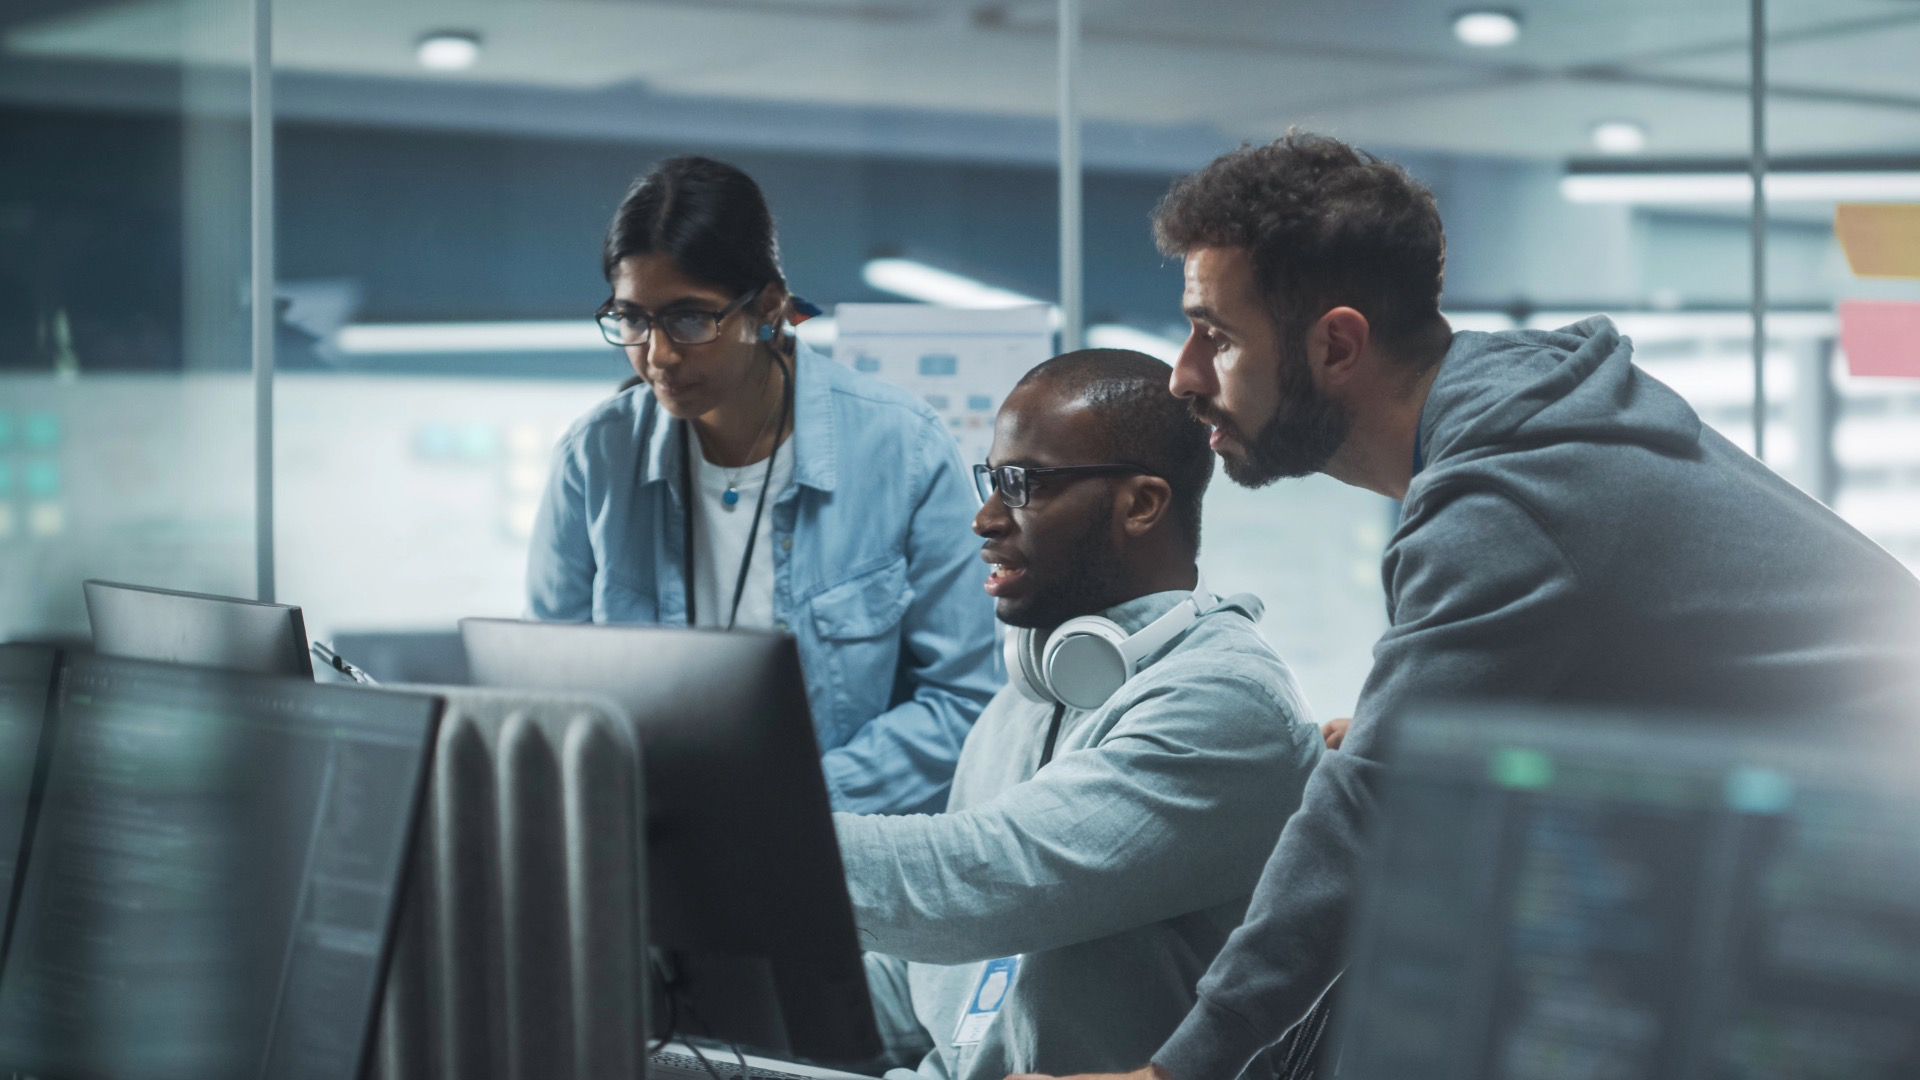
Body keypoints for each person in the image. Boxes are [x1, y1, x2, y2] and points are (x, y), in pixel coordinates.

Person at [1022, 132, 1920, 1080]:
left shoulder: (1505, 499)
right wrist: (1423, 728)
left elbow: (1365, 818)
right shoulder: (1519, 417)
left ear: (1336, 344)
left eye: (1221, 335)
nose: (1185, 374)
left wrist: (1175, 1071)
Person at [834, 350, 1323, 1080]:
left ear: (1141, 504)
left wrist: (748, 841)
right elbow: (924, 989)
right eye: (991, 481)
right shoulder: (1023, 702)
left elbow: (979, 882)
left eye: (1022, 486)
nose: (986, 518)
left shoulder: (1226, 705)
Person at [526, 156, 997, 814]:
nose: (657, 355)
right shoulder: (594, 457)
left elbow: (963, 702)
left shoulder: (904, 448)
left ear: (769, 308)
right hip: (652, 856)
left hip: (837, 863)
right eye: (632, 319)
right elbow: (548, 694)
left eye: (689, 320)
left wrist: (784, 806)